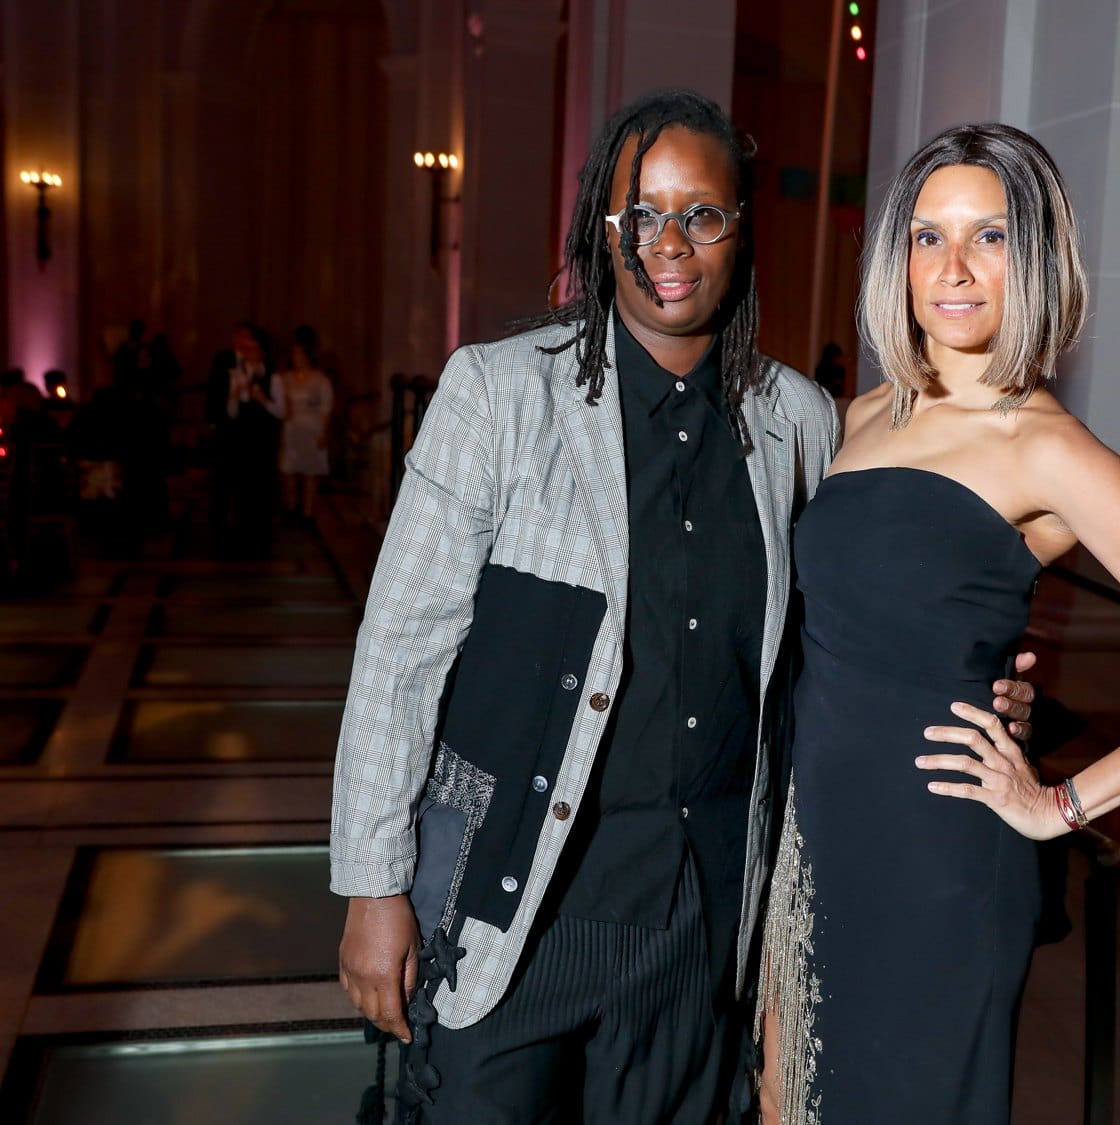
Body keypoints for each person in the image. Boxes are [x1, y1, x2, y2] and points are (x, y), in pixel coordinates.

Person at [330, 88, 1043, 1124]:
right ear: (603, 231)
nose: (670, 243)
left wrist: (977, 684)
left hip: (697, 923)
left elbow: (845, 627)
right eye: (641, 215)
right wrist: (372, 886)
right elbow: (400, 649)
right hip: (515, 910)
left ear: (740, 231)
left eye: (701, 213)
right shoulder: (498, 394)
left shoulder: (796, 419)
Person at [755, 123, 1120, 1125]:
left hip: (936, 856)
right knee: (787, 1105)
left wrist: (1065, 805)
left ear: (1036, 257)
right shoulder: (860, 417)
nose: (952, 268)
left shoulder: (1048, 449)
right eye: (927, 236)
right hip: (815, 832)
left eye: (990, 237)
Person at [206, 322, 284, 557]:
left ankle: (258, 536)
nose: (247, 351)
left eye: (252, 347)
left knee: (259, 489)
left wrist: (262, 399)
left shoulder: (273, 378)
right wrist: (232, 398)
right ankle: (229, 533)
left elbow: (280, 412)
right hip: (237, 440)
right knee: (232, 485)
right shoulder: (234, 372)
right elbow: (229, 411)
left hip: (262, 442)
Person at [278, 324, 335, 521]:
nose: (297, 357)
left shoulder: (320, 380)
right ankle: (291, 506)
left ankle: (308, 511)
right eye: (294, 354)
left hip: (312, 428)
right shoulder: (286, 378)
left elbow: (326, 407)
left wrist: (323, 432)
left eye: (300, 354)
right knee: (289, 468)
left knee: (310, 470)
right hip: (291, 428)